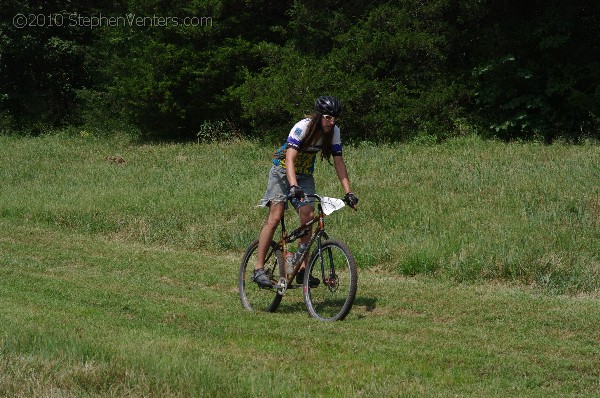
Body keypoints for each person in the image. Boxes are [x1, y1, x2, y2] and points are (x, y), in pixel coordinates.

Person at [253, 96, 359, 288]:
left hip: (305, 175)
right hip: (282, 171)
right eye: (327, 117)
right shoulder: (303, 127)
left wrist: (349, 192)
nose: (331, 121)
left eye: (334, 118)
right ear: (319, 116)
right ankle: (259, 268)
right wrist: (293, 186)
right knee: (275, 216)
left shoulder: (333, 131)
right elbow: (290, 159)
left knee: (308, 215)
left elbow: (338, 161)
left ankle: (302, 270)